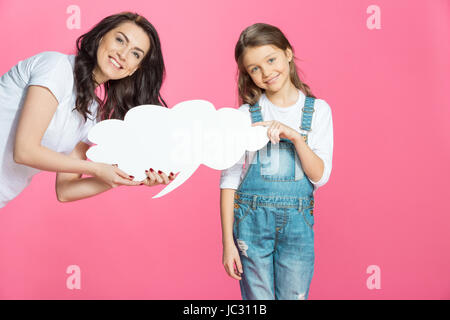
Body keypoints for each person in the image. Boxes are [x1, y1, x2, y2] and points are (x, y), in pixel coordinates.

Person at [0, 12, 174, 208]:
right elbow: (25, 151)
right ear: (101, 36)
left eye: (135, 54)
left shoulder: (91, 115)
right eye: (120, 40)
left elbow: (65, 191)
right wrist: (97, 168)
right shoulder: (56, 68)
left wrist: (130, 176)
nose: (123, 54)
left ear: (134, 69)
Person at [220, 23, 333, 300]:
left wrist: (295, 137)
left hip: (297, 228)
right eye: (254, 69)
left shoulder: (317, 111)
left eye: (271, 60)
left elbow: (320, 175)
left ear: (288, 53)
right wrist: (227, 244)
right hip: (250, 223)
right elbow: (229, 180)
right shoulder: (245, 116)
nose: (266, 72)